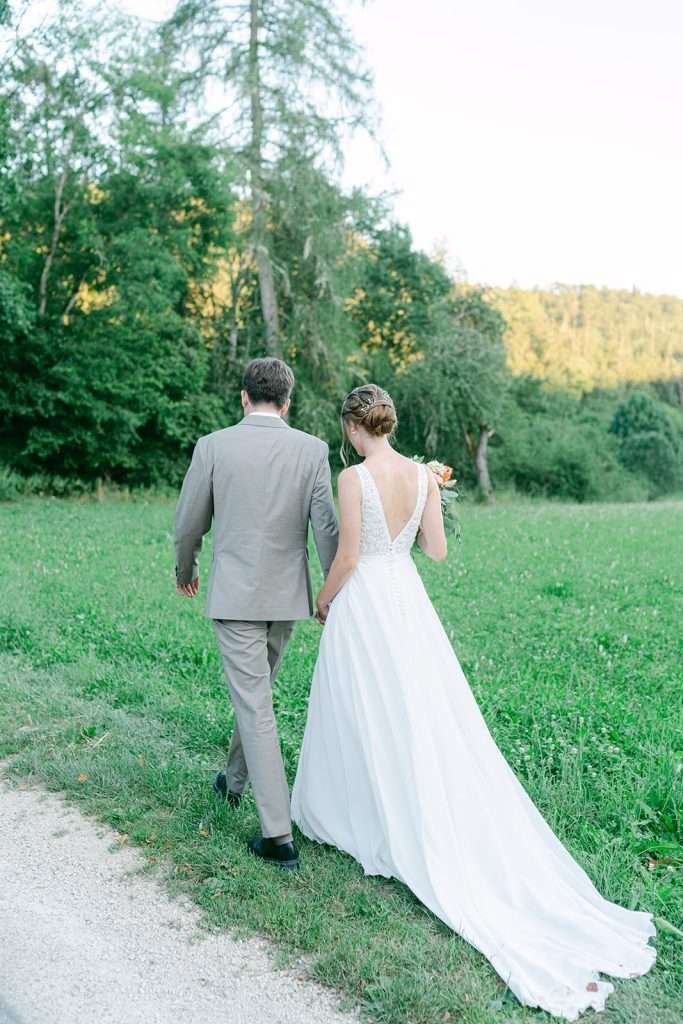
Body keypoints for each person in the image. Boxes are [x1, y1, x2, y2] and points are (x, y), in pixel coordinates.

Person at [290, 383, 657, 1020]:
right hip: (407, 601)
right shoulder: (422, 476)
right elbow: (436, 549)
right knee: (418, 714)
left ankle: (364, 817)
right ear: (390, 423)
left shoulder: (353, 478)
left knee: (361, 709)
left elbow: (348, 554)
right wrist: (420, 502)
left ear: (353, 427)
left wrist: (324, 601)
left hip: (368, 602)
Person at [174, 357, 338, 871]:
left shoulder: (213, 446)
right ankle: (232, 781)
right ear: (286, 402)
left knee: (256, 707)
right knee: (256, 696)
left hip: (237, 597)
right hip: (287, 600)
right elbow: (327, 530)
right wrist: (331, 593)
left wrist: (186, 568)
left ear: (244, 396)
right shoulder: (312, 449)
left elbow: (187, 524)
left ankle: (278, 836)